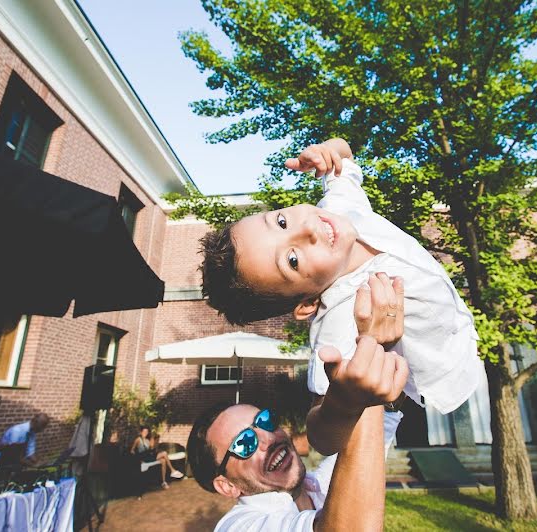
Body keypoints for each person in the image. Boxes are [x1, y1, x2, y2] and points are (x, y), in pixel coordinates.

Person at [199, 138, 483, 455]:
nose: (307, 230)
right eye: (292, 260)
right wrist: (345, 403)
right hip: (450, 362)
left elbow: (344, 156)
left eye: (281, 221)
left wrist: (327, 150)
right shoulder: (339, 313)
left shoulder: (339, 211)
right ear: (307, 304)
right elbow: (323, 438)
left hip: (460, 316)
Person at [187, 336, 407, 531]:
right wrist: (360, 395)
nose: (269, 438)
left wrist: (379, 351)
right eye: (245, 443)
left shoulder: (318, 485)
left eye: (264, 421)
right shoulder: (238, 527)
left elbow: (378, 431)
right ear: (227, 486)